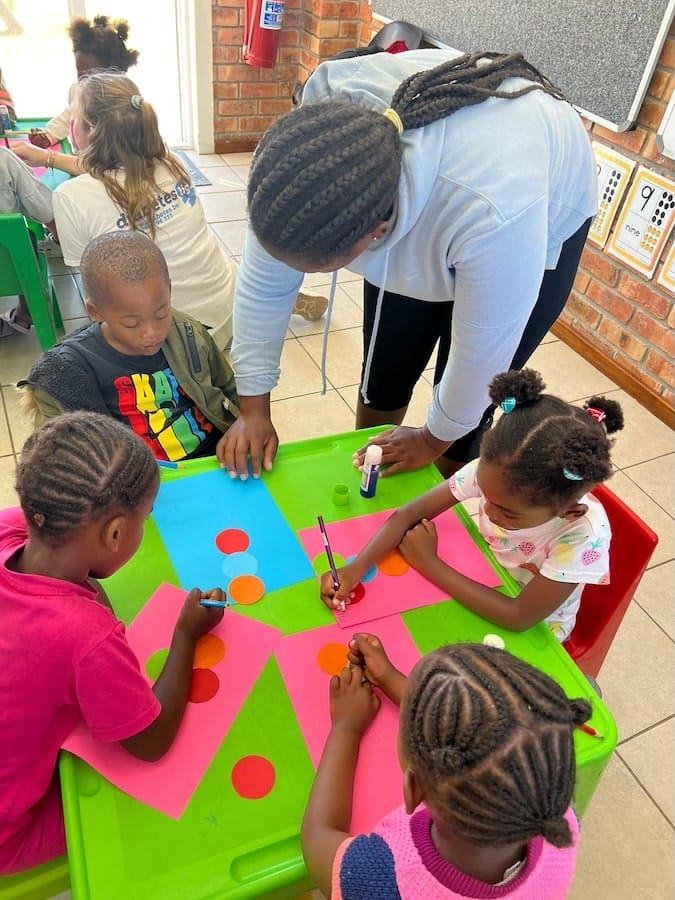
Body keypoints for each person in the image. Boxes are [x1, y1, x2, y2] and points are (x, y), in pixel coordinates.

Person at [223, 48, 597, 480]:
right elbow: (262, 287)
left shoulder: (495, 211)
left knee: (465, 413)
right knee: (390, 358)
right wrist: (252, 407)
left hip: (543, 201)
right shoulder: (306, 160)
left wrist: (432, 437)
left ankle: (443, 489)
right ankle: (371, 469)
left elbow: (482, 358)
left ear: (376, 233)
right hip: (443, 184)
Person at [0, 410, 225, 874]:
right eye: (142, 524)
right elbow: (150, 741)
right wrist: (185, 636)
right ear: (117, 533)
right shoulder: (87, 638)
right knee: (167, 810)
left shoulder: (10, 526)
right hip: (9, 836)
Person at [13, 71, 327, 347]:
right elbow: (110, 174)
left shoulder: (71, 197)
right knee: (207, 254)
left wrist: (47, 159)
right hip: (230, 305)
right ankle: (268, 302)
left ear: (88, 130)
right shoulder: (171, 160)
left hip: (177, 337)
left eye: (75, 115)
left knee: (102, 310)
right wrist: (49, 158)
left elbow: (95, 287)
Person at [321, 369, 624, 643]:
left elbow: (517, 617)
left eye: (507, 513)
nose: (489, 512)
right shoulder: (497, 474)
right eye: (486, 497)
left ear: (568, 511)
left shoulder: (582, 535)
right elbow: (409, 514)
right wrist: (356, 567)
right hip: (479, 575)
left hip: (534, 630)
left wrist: (429, 563)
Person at [302, 636, 591, 898]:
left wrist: (346, 727)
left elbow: (317, 836)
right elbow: (489, 732)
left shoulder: (378, 880)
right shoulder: (559, 816)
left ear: (413, 791)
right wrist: (389, 678)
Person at [19, 231, 240, 464]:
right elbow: (58, 456)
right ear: (95, 312)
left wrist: (246, 423)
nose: (151, 333)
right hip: (136, 478)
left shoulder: (185, 330)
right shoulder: (67, 370)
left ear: (170, 291)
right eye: (131, 324)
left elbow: (229, 386)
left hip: (215, 458)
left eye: (161, 314)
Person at [28, 14, 139, 148]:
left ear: (116, 75)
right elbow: (71, 114)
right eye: (79, 71)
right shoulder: (78, 89)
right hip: (82, 163)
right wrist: (49, 134)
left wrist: (50, 159)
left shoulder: (121, 107)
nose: (83, 80)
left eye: (92, 75)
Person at [0, 147, 55, 336]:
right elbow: (45, 209)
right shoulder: (4, 160)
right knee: (24, 239)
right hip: (10, 270)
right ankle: (25, 312)